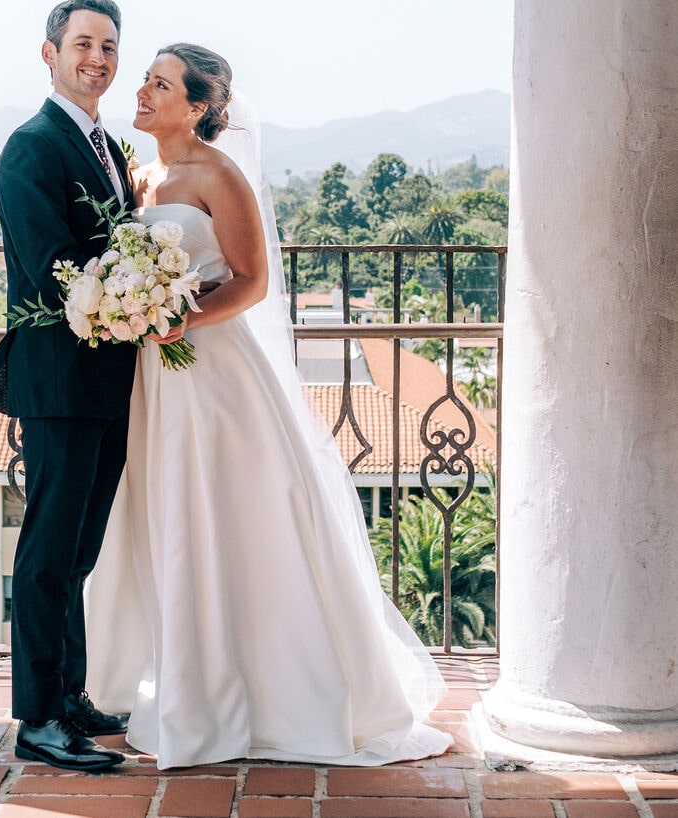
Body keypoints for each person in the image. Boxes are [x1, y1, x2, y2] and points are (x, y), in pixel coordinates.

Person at [83, 43, 453, 768]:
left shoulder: (218, 174)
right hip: (152, 377)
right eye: (147, 80)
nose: (143, 91)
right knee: (165, 517)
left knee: (223, 517)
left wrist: (178, 317)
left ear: (196, 107)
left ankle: (261, 692)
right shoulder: (138, 176)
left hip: (213, 374)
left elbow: (249, 281)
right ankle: (177, 681)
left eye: (160, 85)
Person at [0, 0, 136, 773]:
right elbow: (52, 268)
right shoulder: (31, 148)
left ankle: (70, 695)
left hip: (108, 375)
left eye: (109, 46)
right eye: (83, 44)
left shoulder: (105, 147)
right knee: (47, 552)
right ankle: (37, 718)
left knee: (79, 549)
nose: (97, 59)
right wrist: (137, 291)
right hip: (60, 378)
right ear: (50, 54)